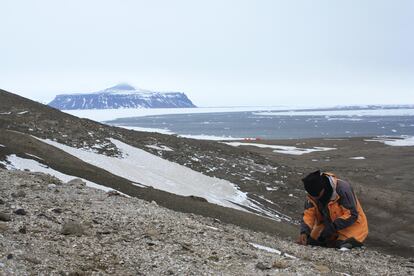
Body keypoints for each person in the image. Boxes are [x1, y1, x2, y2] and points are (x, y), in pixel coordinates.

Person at [297, 170, 368, 249]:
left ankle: (356, 244)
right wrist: (304, 232)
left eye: (317, 195)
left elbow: (352, 215)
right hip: (327, 225)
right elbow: (308, 215)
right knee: (311, 242)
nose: (315, 198)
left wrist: (332, 227)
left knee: (340, 246)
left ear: (323, 188)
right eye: (312, 195)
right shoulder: (312, 194)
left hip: (352, 225)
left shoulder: (342, 189)